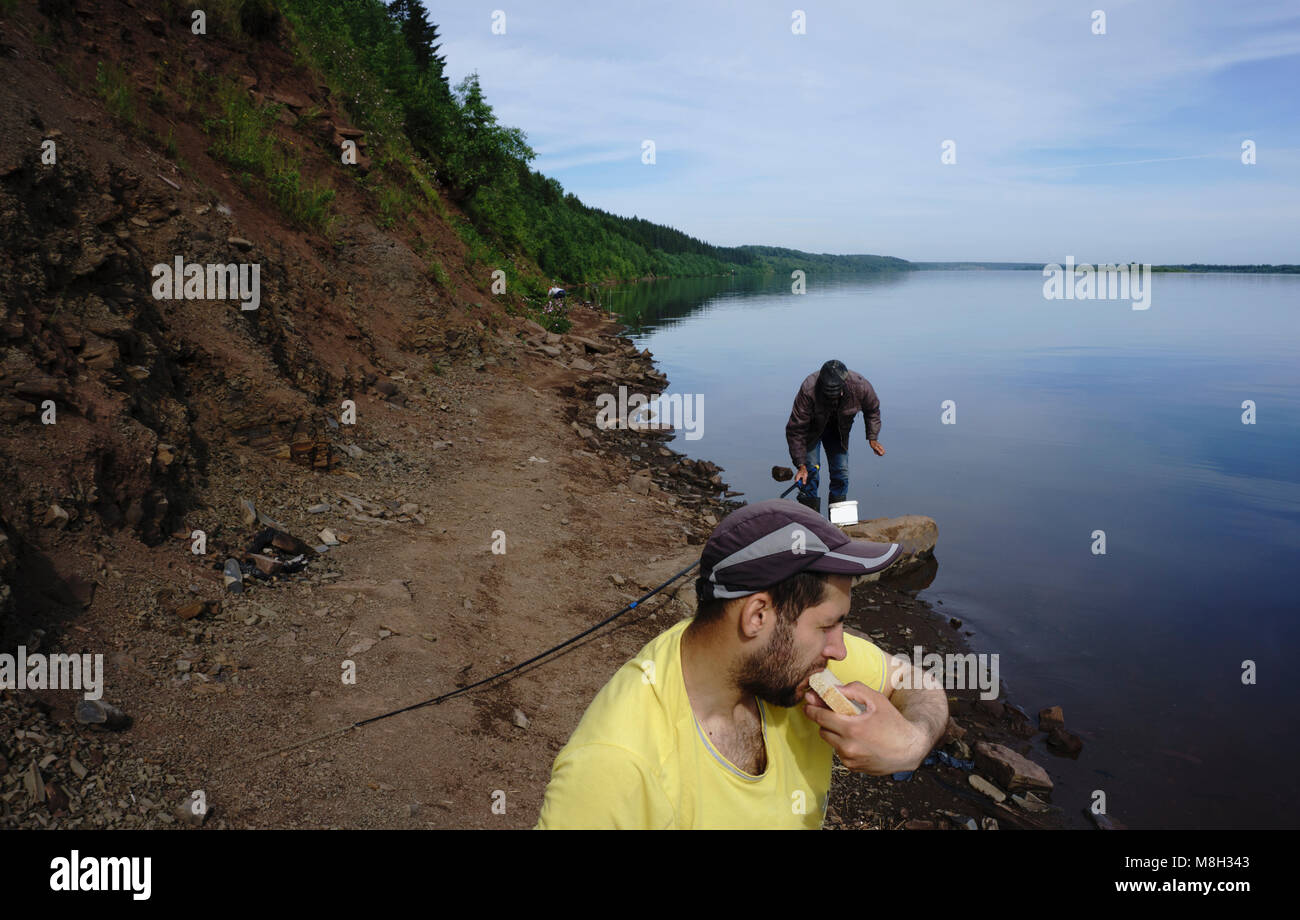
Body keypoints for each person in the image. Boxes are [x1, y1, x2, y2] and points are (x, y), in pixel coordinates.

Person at [534, 500, 948, 829]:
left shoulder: (797, 667)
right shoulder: (616, 765)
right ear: (757, 616)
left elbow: (911, 679)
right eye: (829, 625)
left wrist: (912, 741)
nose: (840, 650)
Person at [784, 359, 885, 516]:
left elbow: (872, 410)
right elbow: (795, 429)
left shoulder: (860, 386)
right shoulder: (809, 388)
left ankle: (838, 524)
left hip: (838, 432)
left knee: (841, 473)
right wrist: (800, 465)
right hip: (812, 431)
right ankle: (810, 520)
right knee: (810, 473)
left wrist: (872, 437)